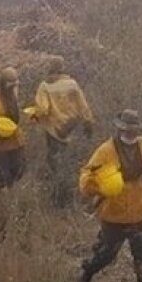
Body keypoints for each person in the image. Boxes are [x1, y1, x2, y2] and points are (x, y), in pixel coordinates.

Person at [76, 109, 142, 282]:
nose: (131, 132)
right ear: (120, 127)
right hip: (114, 214)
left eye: (134, 128)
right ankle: (85, 277)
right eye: (127, 128)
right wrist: (96, 186)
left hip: (139, 211)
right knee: (106, 255)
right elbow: (86, 176)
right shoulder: (106, 150)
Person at [25, 56, 95, 207]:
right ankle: (74, 193)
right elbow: (83, 107)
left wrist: (34, 116)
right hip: (72, 127)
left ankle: (60, 196)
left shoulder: (45, 86)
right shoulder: (72, 84)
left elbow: (43, 109)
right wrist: (88, 123)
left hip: (54, 130)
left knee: (55, 161)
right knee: (70, 161)